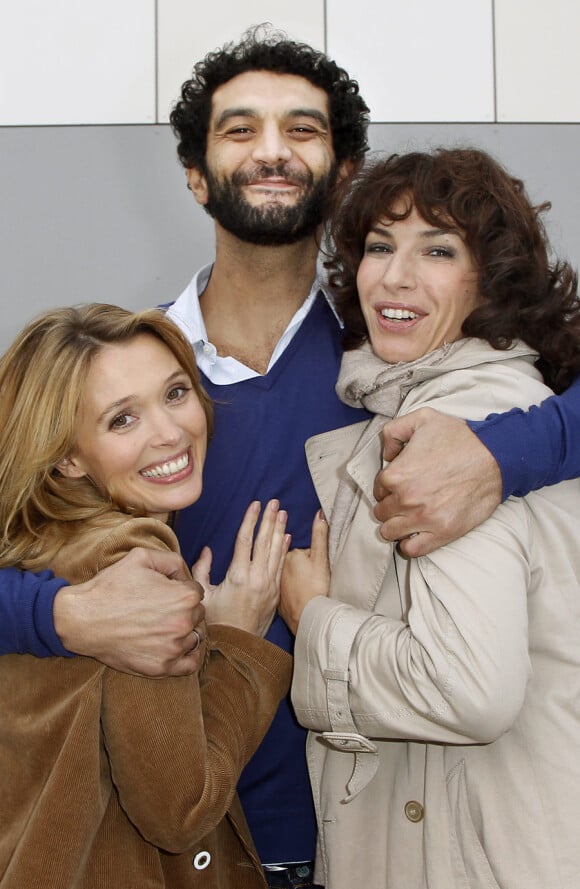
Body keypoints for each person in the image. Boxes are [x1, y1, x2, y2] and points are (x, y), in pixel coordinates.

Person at [2, 25, 580, 886]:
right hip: (175, 846)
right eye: (240, 129)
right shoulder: (119, 377)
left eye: (302, 129)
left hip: (371, 841)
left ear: (343, 173)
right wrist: (64, 615)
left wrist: (500, 453)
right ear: (195, 174)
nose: (272, 150)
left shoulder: (401, 357)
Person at [279, 148, 580, 888]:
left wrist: (311, 617)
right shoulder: (485, 400)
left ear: (492, 278)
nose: (396, 275)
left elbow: (463, 688)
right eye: (380, 246)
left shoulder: (460, 417)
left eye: (437, 249)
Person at [0, 303, 292, 888]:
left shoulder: (35, 547)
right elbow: (178, 812)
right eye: (122, 420)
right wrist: (235, 643)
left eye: (176, 393)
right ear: (67, 457)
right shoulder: (131, 556)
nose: (169, 432)